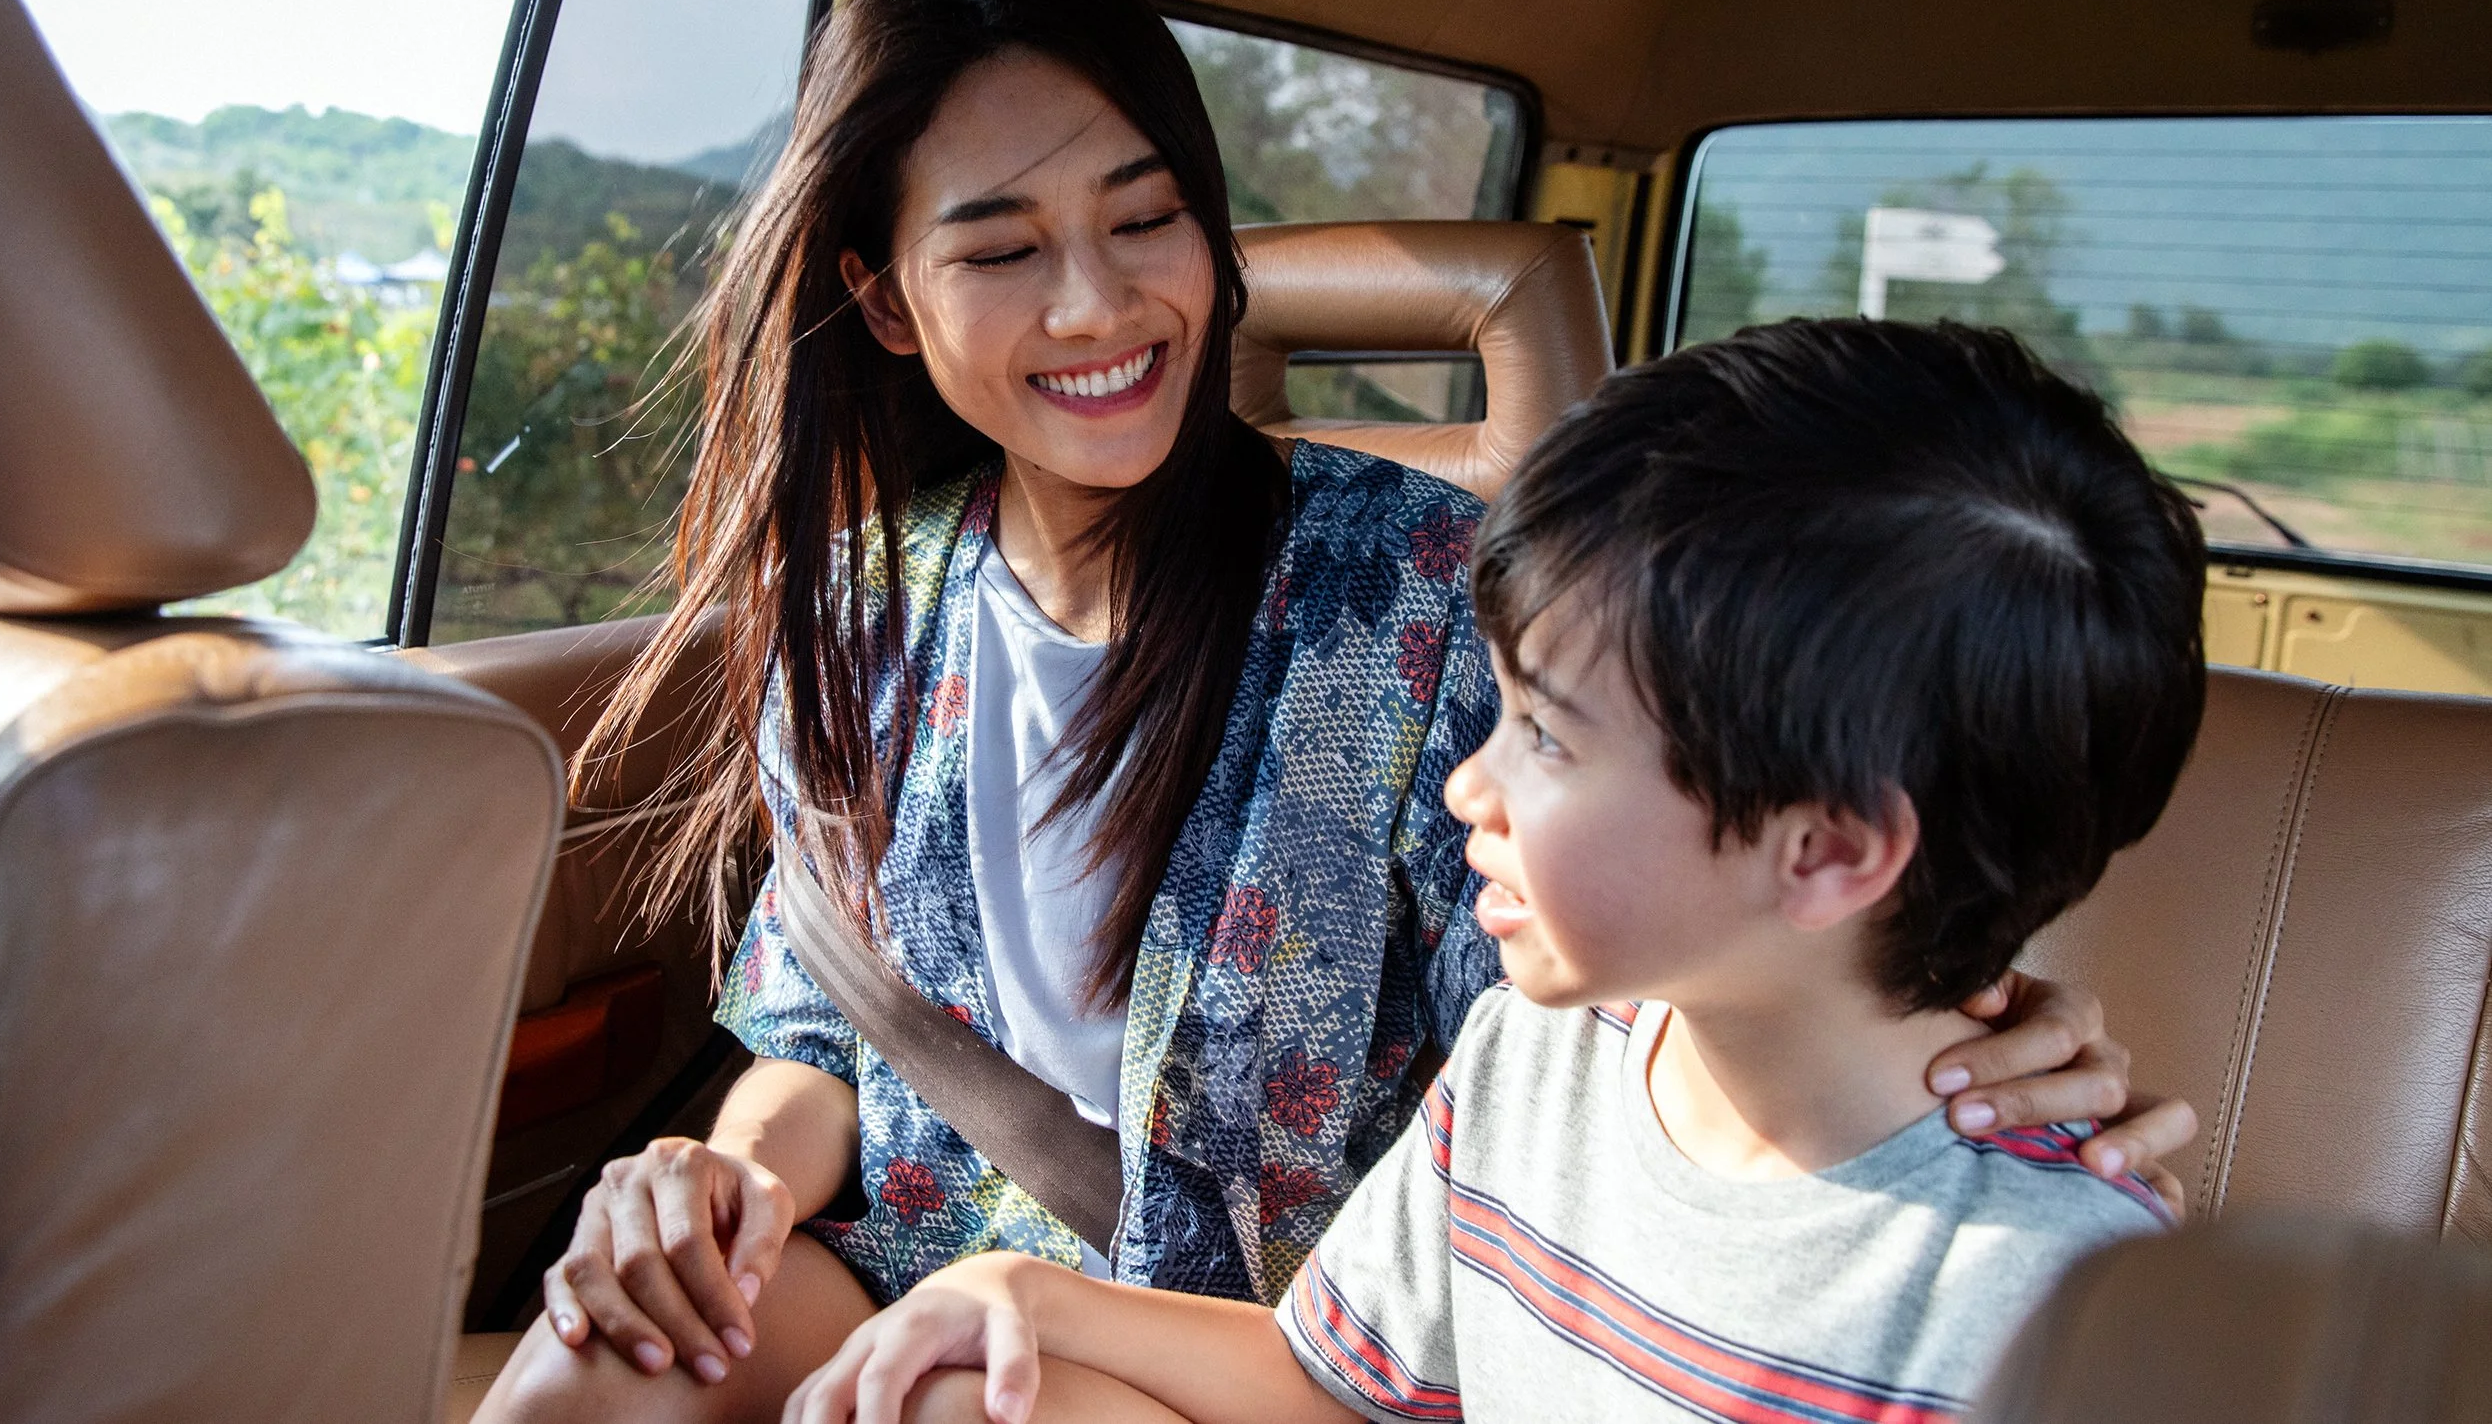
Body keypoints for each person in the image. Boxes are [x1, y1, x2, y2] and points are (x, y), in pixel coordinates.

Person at [474, 0, 2194, 1424]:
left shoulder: (1422, 597)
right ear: (892, 300)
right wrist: (719, 1177)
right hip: (927, 1267)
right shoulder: (861, 602)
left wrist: (1956, 1031)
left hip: (1270, 1348)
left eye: (1145, 219)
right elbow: (817, 1024)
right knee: (601, 1349)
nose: (1095, 302)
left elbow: (1632, 982)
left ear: (1215, 236)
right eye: (1000, 248)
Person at [787, 318, 2204, 1424]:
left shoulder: (2054, 1297)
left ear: (1825, 848)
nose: (1470, 781)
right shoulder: (1536, 1058)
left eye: (1544, 735)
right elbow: (1332, 1381)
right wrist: (1016, 1291)